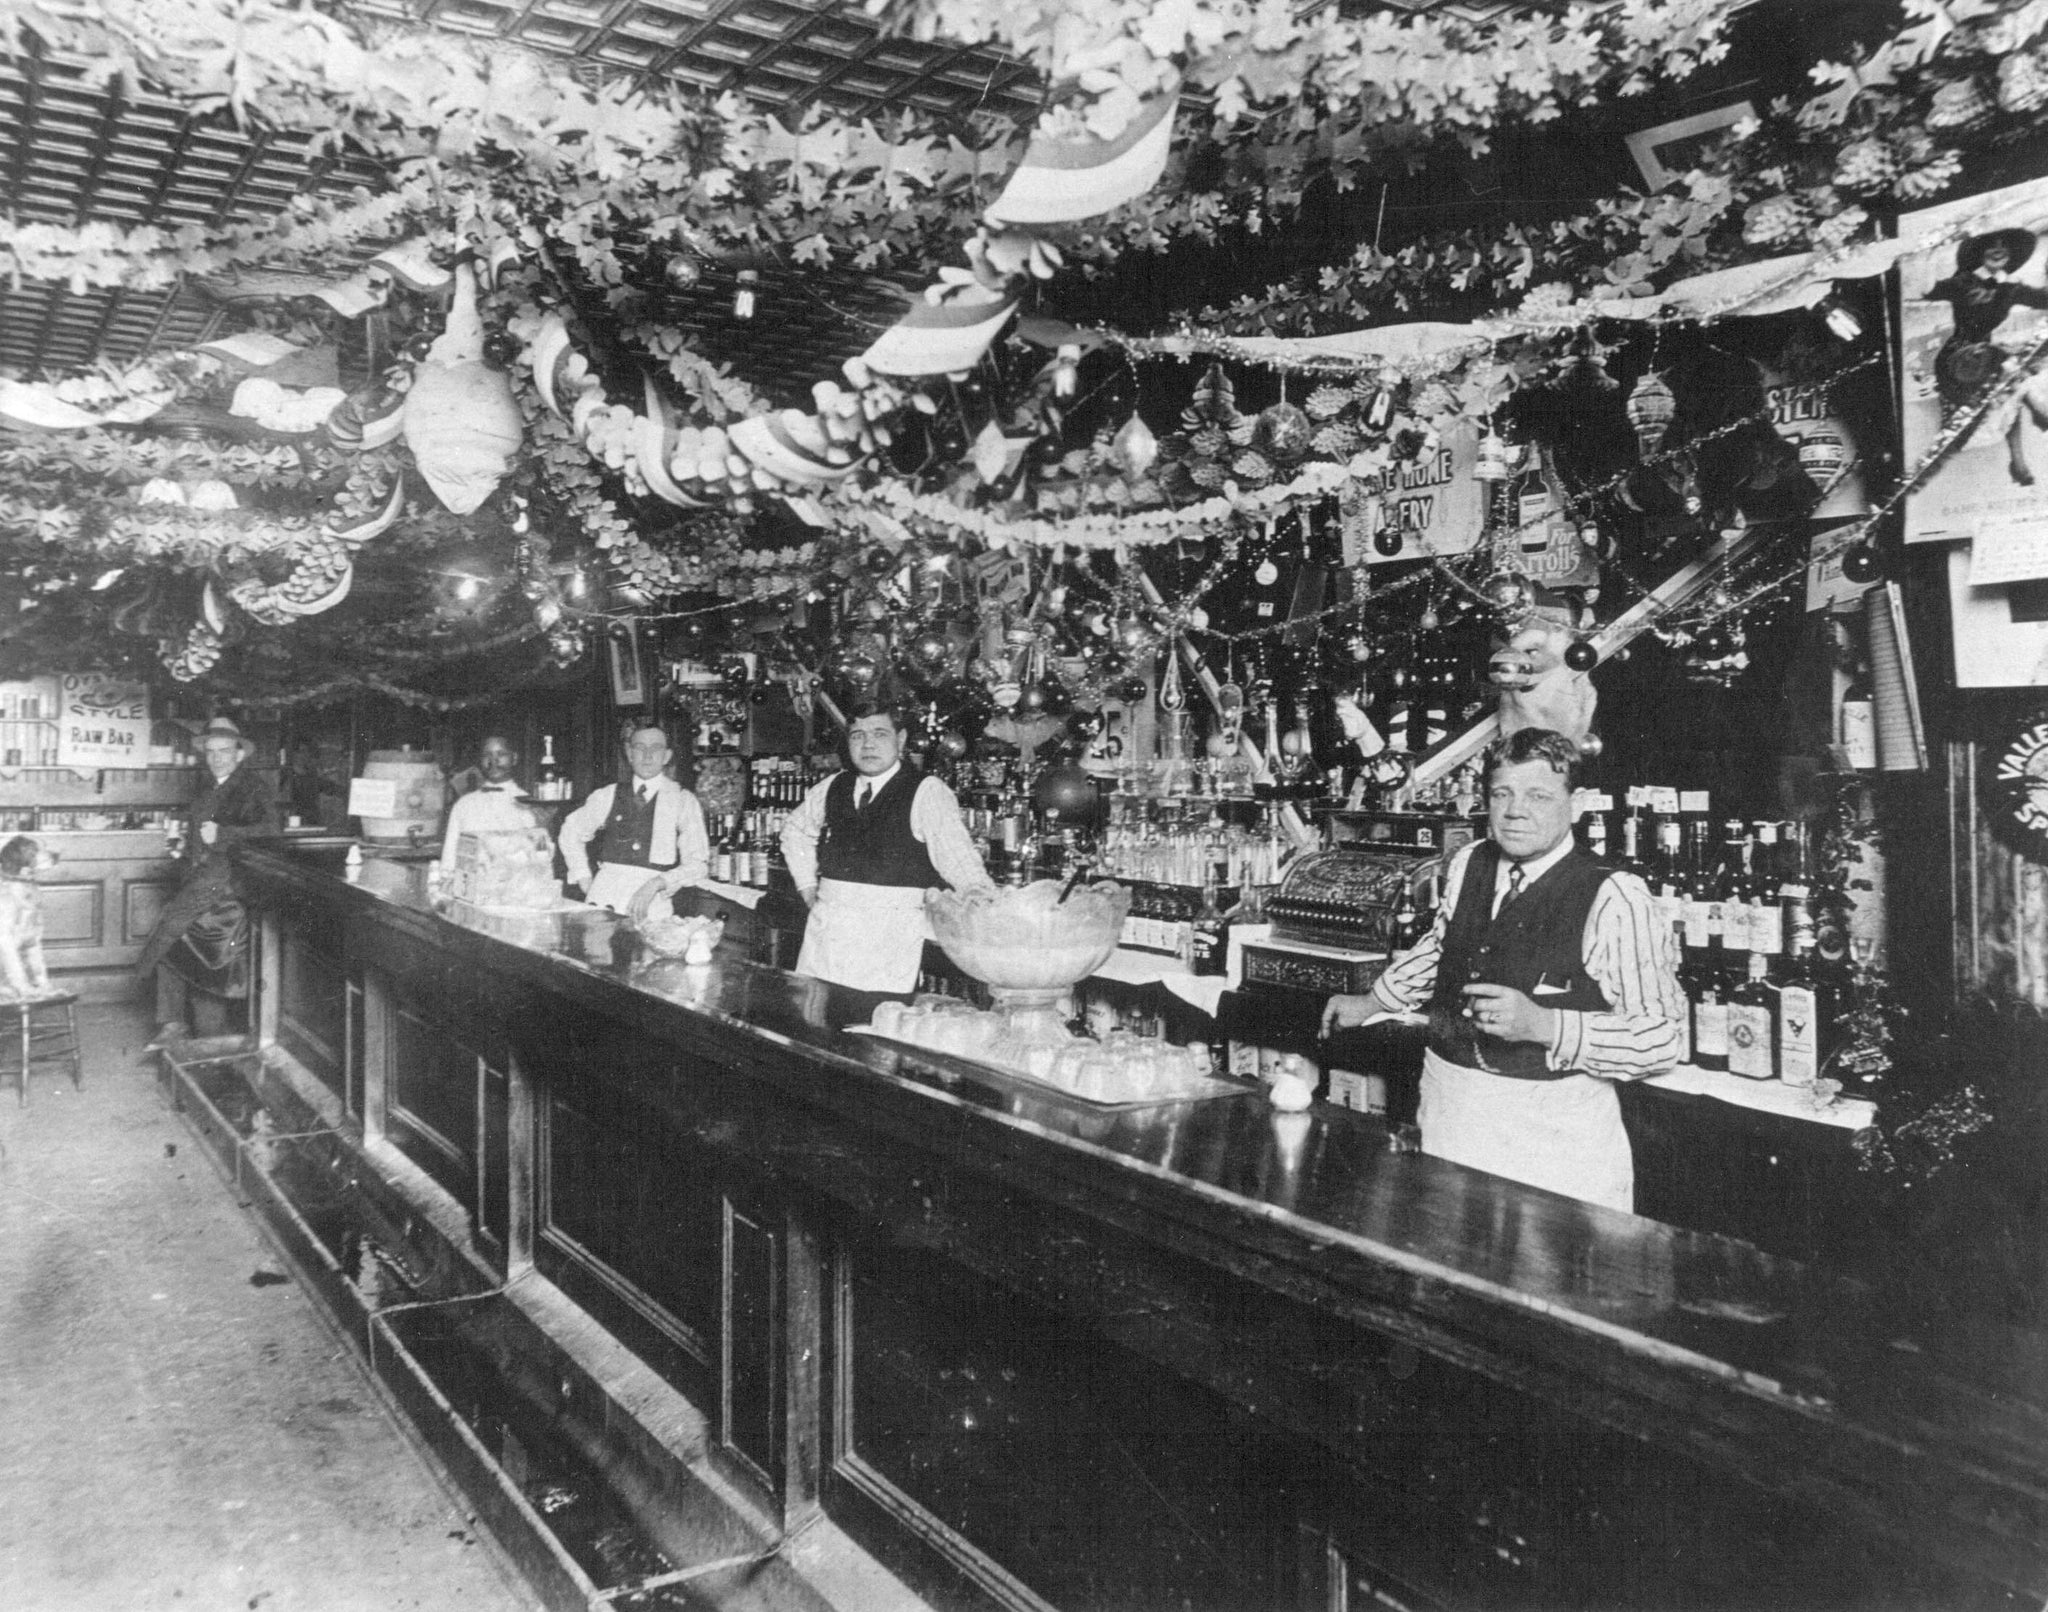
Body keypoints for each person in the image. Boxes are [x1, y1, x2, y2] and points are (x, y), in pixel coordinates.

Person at [1320, 727, 1683, 1213]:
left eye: (1538, 795)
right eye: (1502, 794)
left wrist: (1546, 1024)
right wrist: (1375, 1000)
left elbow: (1660, 1039)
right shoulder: (1469, 861)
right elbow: (1442, 947)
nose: (1516, 811)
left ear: (1575, 804)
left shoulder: (1616, 895)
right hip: (1452, 1107)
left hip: (1551, 1133)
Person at [779, 702, 992, 994]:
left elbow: (958, 859)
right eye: (857, 735)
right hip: (828, 930)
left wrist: (985, 902)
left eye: (879, 734)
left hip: (888, 933)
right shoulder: (833, 786)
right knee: (815, 1021)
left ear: (901, 739)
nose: (868, 745)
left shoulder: (927, 791)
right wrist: (806, 885)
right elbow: (795, 831)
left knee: (874, 1025)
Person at [136, 716, 281, 1007]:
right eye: (211, 752)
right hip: (200, 877)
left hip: (227, 884)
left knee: (173, 938)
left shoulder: (253, 787)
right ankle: (172, 1023)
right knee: (176, 943)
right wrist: (183, 848)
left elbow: (273, 830)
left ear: (239, 754)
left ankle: (170, 1018)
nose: (217, 758)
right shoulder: (208, 787)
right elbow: (200, 833)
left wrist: (223, 834)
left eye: (224, 751)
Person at [557, 725, 708, 920]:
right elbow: (570, 831)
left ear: (667, 756)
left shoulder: (682, 800)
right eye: (639, 747)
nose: (647, 755)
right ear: (629, 754)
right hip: (604, 898)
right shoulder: (608, 795)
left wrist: (656, 883)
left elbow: (698, 864)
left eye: (655, 748)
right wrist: (583, 877)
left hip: (652, 904)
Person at [438, 734, 540, 878]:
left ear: (514, 758)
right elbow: (449, 859)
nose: (493, 761)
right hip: (471, 891)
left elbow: (539, 860)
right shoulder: (464, 805)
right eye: (487, 755)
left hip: (515, 892)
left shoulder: (530, 805)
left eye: (501, 754)